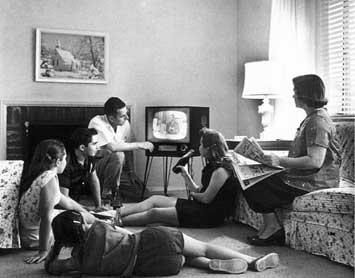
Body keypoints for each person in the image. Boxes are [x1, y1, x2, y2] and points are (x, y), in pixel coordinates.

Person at [242, 74, 341, 246]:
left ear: (306, 93)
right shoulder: (311, 119)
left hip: (315, 181)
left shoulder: (318, 121)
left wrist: (279, 161)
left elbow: (315, 161)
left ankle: (272, 228)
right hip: (304, 177)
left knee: (254, 182)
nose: (293, 95)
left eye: (295, 91)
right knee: (249, 177)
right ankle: (270, 226)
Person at [44, 210, 280, 276]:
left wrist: (55, 247)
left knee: (184, 259)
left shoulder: (79, 263)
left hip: (157, 268)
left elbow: (52, 268)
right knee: (203, 245)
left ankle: (208, 265)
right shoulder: (99, 227)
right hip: (154, 241)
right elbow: (119, 228)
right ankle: (251, 260)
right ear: (82, 224)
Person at [116, 128, 239, 228]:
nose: (199, 147)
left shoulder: (221, 171)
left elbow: (205, 198)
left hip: (208, 215)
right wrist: (186, 175)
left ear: (209, 148)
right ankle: (116, 214)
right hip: (200, 206)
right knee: (154, 200)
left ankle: (117, 222)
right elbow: (198, 191)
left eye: (201, 144)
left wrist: (193, 196)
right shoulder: (211, 167)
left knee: (155, 213)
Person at [18, 139, 96, 264]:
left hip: (30, 232)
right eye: (65, 159)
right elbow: (46, 218)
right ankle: (109, 223)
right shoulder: (48, 180)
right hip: (35, 237)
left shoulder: (42, 175)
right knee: (84, 225)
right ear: (58, 161)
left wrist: (88, 210)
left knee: (85, 215)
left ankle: (106, 220)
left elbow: (67, 202)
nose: (66, 162)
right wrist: (43, 250)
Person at [88, 97, 154, 199]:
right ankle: (107, 192)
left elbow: (128, 149)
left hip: (118, 170)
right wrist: (140, 145)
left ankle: (114, 189)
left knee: (145, 195)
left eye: (126, 113)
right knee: (118, 154)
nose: (127, 117)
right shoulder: (96, 122)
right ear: (111, 118)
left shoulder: (125, 123)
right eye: (123, 116)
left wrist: (131, 172)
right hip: (97, 170)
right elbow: (112, 147)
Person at [58, 128, 102, 209]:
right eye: (94, 144)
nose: (98, 147)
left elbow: (94, 181)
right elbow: (64, 199)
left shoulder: (89, 158)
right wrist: (85, 209)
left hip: (76, 205)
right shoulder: (65, 165)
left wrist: (99, 207)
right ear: (82, 147)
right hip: (61, 208)